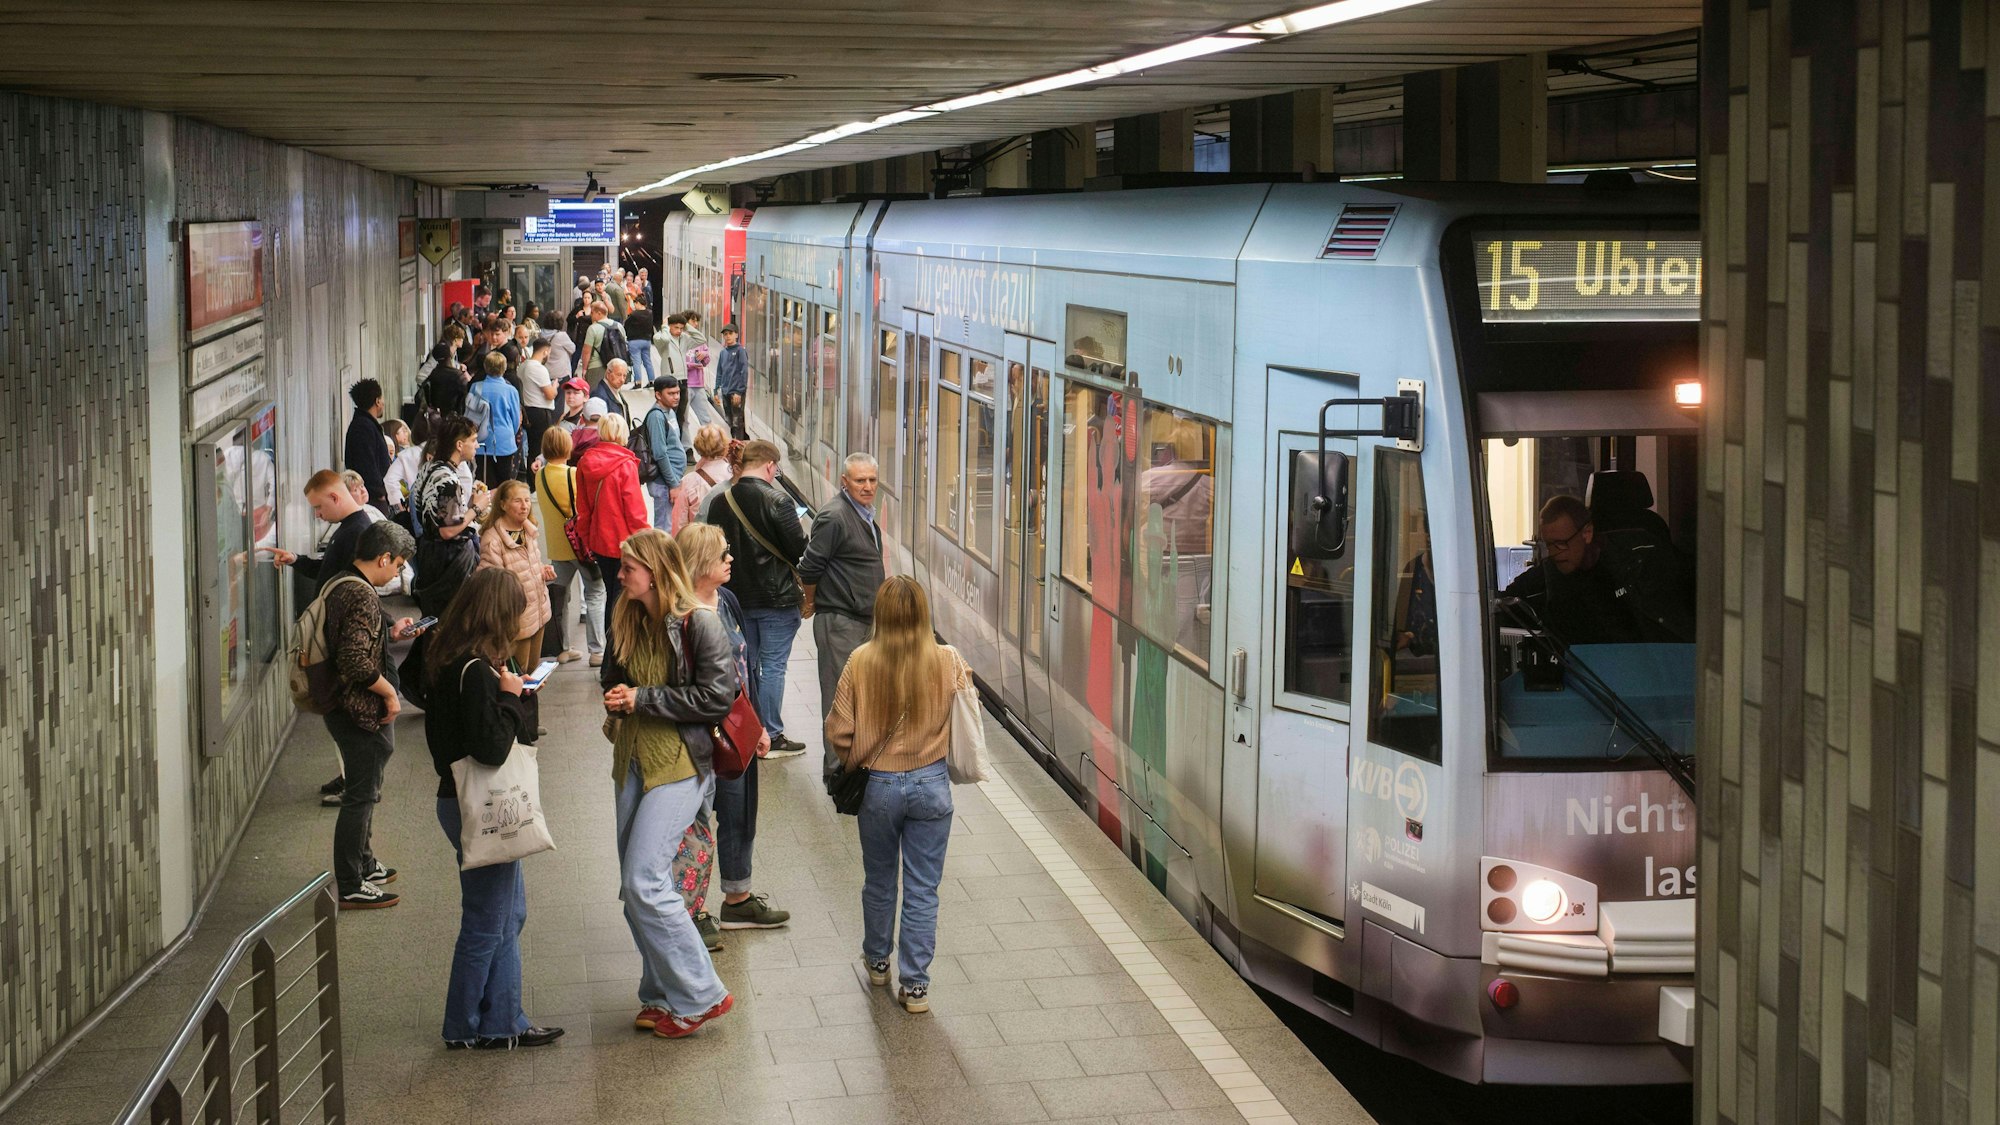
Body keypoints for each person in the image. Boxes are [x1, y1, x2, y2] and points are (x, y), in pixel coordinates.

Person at [600, 529, 737, 1039]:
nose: (619, 576)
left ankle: (700, 995)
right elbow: (615, 674)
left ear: (654, 572)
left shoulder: (699, 623)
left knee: (644, 881)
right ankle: (659, 993)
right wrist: (615, 694)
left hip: (681, 765)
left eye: (627, 569)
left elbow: (715, 698)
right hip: (633, 760)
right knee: (633, 889)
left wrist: (643, 700)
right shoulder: (629, 615)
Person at [423, 568, 564, 1050]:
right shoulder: (479, 672)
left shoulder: (445, 655)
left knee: (508, 912)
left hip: (455, 798)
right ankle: (465, 1025)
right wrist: (512, 700)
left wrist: (511, 695)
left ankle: (504, 1019)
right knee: (487, 920)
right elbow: (492, 748)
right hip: (479, 805)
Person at [824, 576, 970, 1013]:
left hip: (880, 788)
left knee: (880, 879)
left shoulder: (860, 660)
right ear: (924, 614)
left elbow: (838, 732)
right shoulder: (948, 660)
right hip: (931, 786)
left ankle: (877, 961)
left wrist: (857, 764)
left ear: (880, 613)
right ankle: (917, 987)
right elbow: (966, 713)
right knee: (924, 889)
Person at [677, 523, 788, 936]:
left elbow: (745, 667)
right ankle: (692, 911)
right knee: (697, 820)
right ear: (699, 563)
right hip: (699, 733)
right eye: (722, 554)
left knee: (740, 811)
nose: (730, 559)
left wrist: (756, 724)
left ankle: (738, 898)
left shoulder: (726, 600)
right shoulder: (680, 613)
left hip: (737, 726)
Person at [321, 519, 421, 909]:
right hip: (356, 709)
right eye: (397, 565)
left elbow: (358, 637)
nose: (398, 573)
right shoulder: (360, 595)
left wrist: (391, 633)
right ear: (383, 557)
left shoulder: (344, 581)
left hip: (342, 704)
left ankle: (363, 862)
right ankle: (349, 882)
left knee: (367, 788)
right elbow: (353, 659)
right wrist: (390, 696)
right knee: (360, 796)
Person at [707, 441, 808, 759]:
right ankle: (773, 734)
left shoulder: (720, 501)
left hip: (735, 600)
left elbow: (714, 549)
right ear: (769, 465)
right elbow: (800, 552)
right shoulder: (779, 500)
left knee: (746, 665)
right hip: (776, 600)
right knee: (773, 666)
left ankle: (749, 731)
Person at [1500, 494, 1693, 646]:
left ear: (1587, 533)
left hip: (1651, 671)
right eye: (1548, 544)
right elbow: (1502, 604)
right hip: (1586, 682)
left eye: (1561, 543)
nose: (1553, 553)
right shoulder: (1547, 577)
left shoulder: (1642, 557)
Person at [798, 453, 885, 774]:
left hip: (863, 621)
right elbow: (809, 566)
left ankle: (856, 761)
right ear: (844, 482)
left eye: (872, 480)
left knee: (862, 696)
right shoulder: (835, 517)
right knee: (839, 698)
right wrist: (812, 602)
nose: (867, 486)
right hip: (840, 622)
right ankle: (837, 771)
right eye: (860, 480)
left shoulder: (862, 513)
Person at [536, 427, 604, 666]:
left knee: (560, 597)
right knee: (595, 592)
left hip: (557, 547)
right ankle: (597, 651)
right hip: (580, 546)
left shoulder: (540, 475)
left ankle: (562, 649)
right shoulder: (573, 474)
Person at [410, 418, 487, 619]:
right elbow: (448, 530)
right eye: (474, 439)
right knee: (450, 622)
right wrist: (477, 508)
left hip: (428, 551)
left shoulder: (430, 467)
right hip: (447, 560)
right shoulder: (448, 479)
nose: (477, 445)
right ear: (460, 445)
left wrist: (466, 504)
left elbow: (434, 512)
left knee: (434, 621)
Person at [575, 413, 648, 620]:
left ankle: (611, 644)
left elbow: (583, 506)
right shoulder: (625, 465)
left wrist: (588, 537)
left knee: (610, 592)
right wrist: (646, 541)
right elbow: (635, 513)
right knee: (624, 599)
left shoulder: (585, 462)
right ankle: (619, 646)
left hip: (599, 542)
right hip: (626, 543)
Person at [478, 480, 555, 671]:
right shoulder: (492, 540)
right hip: (516, 620)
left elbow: (526, 565)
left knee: (532, 671)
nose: (525, 506)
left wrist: (542, 571)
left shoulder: (528, 530)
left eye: (527, 500)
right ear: (503, 504)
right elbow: (491, 585)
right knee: (518, 675)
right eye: (518, 501)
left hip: (538, 613)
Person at [469, 352, 524, 488]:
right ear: (504, 368)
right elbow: (516, 420)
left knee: (483, 484)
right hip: (505, 441)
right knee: (504, 484)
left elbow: (470, 416)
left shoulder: (476, 387)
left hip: (481, 441)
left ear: (485, 367)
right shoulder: (511, 390)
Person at [641, 378, 688, 532]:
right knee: (664, 528)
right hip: (664, 483)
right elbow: (660, 453)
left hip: (671, 478)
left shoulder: (670, 412)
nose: (676, 397)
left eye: (677, 393)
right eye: (671, 393)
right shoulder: (657, 416)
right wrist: (673, 484)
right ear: (658, 395)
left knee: (671, 525)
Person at [344, 379, 393, 513]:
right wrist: (380, 493)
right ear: (377, 401)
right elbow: (366, 465)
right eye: (382, 399)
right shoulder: (363, 427)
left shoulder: (365, 425)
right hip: (372, 499)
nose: (383, 403)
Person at [674, 425, 731, 532]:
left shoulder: (688, 481)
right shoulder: (733, 474)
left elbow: (679, 522)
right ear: (724, 445)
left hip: (699, 540)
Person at [519, 336, 558, 467]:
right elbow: (550, 394)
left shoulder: (523, 366)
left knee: (531, 448)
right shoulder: (539, 369)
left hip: (527, 409)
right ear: (545, 351)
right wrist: (555, 386)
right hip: (540, 412)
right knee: (539, 450)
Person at [713, 325, 748, 440]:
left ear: (736, 335)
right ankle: (737, 443)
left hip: (736, 393)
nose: (727, 336)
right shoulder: (723, 353)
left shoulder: (740, 351)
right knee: (729, 420)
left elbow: (744, 372)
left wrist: (739, 391)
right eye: (725, 334)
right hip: (725, 391)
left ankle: (739, 446)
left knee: (737, 421)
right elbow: (719, 372)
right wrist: (716, 390)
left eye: (730, 333)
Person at [382, 419, 422, 516]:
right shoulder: (400, 457)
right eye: (402, 431)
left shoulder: (406, 452)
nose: (407, 433)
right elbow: (393, 482)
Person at [590, 359, 634, 427]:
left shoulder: (614, 390)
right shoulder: (599, 396)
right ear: (608, 374)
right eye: (619, 375)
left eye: (624, 376)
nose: (622, 380)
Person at [625, 303, 658, 388]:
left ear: (638, 303)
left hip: (634, 341)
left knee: (636, 362)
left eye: (635, 304)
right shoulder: (650, 313)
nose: (634, 306)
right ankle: (652, 381)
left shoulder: (633, 314)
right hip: (646, 341)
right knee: (647, 361)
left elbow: (626, 325)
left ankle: (638, 382)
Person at [655, 314, 688, 388]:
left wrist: (687, 326)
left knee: (683, 399)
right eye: (676, 327)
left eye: (681, 328)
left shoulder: (684, 337)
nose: (679, 331)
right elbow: (665, 339)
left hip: (684, 377)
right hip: (669, 378)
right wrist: (664, 327)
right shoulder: (658, 336)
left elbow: (701, 340)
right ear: (668, 326)